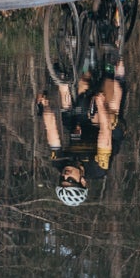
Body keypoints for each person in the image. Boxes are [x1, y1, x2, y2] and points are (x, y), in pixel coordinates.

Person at [38, 57, 126, 207]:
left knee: (82, 84)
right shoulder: (98, 169)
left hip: (81, 127)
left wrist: (44, 108)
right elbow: (105, 134)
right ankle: (113, 65)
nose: (65, 175)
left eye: (62, 180)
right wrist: (101, 106)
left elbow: (52, 130)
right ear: (83, 181)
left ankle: (81, 59)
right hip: (107, 130)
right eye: (71, 180)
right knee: (109, 98)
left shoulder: (59, 163)